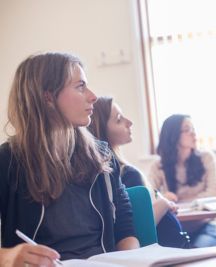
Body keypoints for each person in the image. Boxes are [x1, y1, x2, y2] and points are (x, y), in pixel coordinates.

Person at [0, 52, 139, 266]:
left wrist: (131, 261)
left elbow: (125, 229)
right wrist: (9, 257)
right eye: (80, 86)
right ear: (47, 97)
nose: (92, 96)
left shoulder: (101, 154)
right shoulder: (7, 160)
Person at [88, 97, 191, 248]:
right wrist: (164, 204)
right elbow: (138, 228)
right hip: (164, 251)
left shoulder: (123, 170)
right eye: (118, 119)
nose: (129, 122)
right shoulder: (126, 175)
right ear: (102, 130)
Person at [148, 114, 216, 248]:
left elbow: (214, 193)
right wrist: (164, 198)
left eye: (193, 129)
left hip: (206, 226)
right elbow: (149, 197)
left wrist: (173, 201)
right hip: (174, 228)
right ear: (173, 135)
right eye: (187, 129)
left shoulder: (207, 158)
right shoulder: (158, 166)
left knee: (198, 252)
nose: (193, 133)